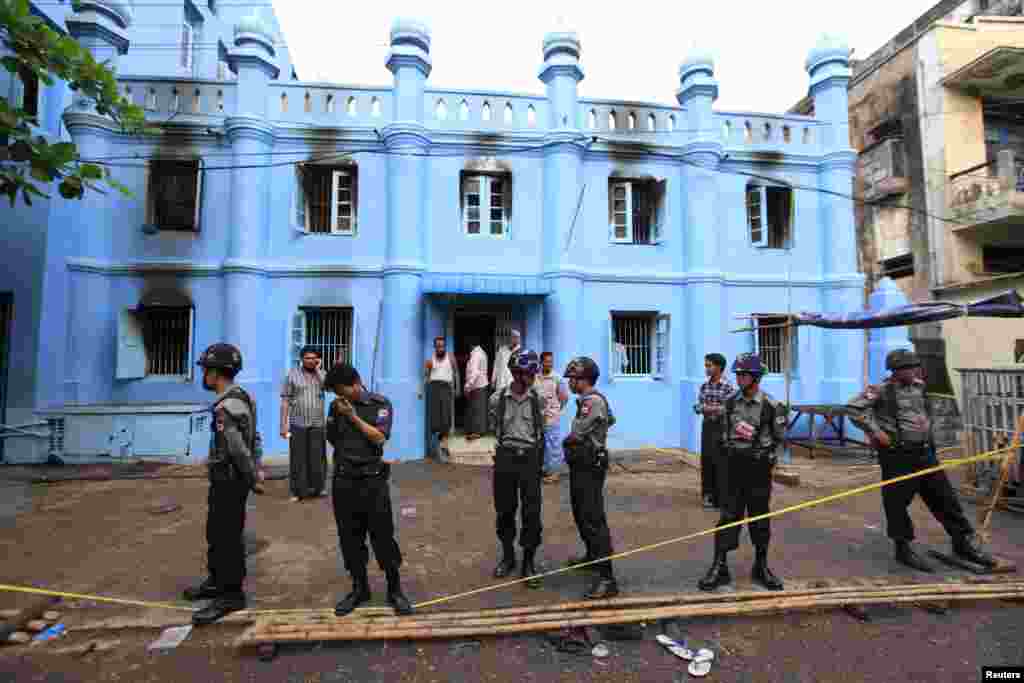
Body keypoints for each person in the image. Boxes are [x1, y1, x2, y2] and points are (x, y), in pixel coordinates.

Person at [846, 349, 995, 572]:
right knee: (897, 503)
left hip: (925, 453)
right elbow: (852, 408)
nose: (912, 371)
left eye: (914, 366)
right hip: (898, 456)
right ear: (895, 371)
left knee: (945, 498)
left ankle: (962, 544)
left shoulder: (920, 387)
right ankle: (903, 548)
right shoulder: (880, 390)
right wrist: (876, 432)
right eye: (907, 368)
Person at [183, 343, 265, 626]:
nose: (204, 376)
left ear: (216, 373)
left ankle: (230, 595)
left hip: (229, 479)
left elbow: (238, 449)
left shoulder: (225, 408)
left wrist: (253, 476)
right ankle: (217, 582)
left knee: (226, 536)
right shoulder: (244, 398)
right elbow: (255, 439)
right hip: (232, 477)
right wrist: (257, 467)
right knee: (217, 532)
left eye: (206, 370)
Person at [325, 363, 413, 617]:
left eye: (341, 390)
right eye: (335, 393)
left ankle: (394, 589)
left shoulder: (380, 404)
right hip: (343, 482)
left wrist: (352, 416)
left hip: (372, 482)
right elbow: (332, 437)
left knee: (383, 537)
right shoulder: (335, 407)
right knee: (350, 538)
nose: (339, 397)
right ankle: (359, 587)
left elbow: (379, 438)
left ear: (356, 383)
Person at [698, 353, 786, 592]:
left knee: (759, 518)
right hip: (733, 467)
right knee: (728, 516)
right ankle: (720, 565)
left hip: (758, 469)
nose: (739, 379)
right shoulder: (730, 402)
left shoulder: (771, 405)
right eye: (737, 374)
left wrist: (768, 459)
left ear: (755, 377)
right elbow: (723, 432)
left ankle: (761, 565)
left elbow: (779, 439)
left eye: (743, 374)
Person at [562, 356, 620, 600]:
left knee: (593, 518)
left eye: (572, 379)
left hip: (589, 465)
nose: (569, 383)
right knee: (581, 513)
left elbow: (576, 433)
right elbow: (612, 419)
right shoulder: (590, 400)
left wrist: (575, 438)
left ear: (582, 379)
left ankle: (607, 578)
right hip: (583, 464)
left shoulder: (591, 402)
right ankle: (592, 557)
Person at [488, 350, 546, 588]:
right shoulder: (497, 399)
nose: (532, 377)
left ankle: (528, 563)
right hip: (505, 459)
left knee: (532, 512)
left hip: (530, 459)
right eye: (528, 372)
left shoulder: (538, 399)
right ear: (515, 373)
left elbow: (544, 427)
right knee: (504, 510)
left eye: (533, 372)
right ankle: (508, 557)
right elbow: (494, 425)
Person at [280, 346, 328, 502]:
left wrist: (319, 371)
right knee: (298, 458)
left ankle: (318, 488)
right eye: (307, 358)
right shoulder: (292, 375)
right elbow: (285, 400)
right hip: (298, 422)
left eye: (314, 358)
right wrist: (283, 425)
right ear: (301, 359)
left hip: (317, 422)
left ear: (318, 359)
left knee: (317, 457)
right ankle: (297, 491)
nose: (311, 360)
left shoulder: (322, 375)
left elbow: (328, 388)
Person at [694, 353, 734, 508]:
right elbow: (698, 407)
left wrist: (708, 408)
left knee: (722, 461)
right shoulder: (705, 386)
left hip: (722, 428)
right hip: (708, 427)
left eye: (709, 365)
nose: (706, 368)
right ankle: (708, 495)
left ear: (719, 367)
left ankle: (722, 496)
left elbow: (728, 409)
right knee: (707, 459)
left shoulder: (727, 386)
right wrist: (711, 408)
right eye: (706, 365)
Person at [425, 337, 461, 462]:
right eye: (438, 346)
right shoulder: (430, 360)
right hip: (434, 389)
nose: (440, 348)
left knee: (446, 418)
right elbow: (426, 376)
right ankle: (439, 450)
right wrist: (421, 391)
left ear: (445, 346)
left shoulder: (450, 358)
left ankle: (444, 446)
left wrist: (457, 388)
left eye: (442, 346)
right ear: (435, 347)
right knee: (435, 420)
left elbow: (456, 373)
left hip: (446, 389)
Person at [536, 351, 569, 483]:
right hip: (538, 417)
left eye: (551, 361)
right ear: (541, 362)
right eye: (546, 361)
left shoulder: (557, 378)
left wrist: (556, 410)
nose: (549, 364)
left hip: (551, 417)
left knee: (553, 444)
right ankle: (545, 469)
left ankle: (554, 472)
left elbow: (564, 398)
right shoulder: (536, 377)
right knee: (541, 445)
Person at [463, 337, 489, 440]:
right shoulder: (481, 352)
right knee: (480, 408)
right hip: (480, 384)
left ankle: (477, 432)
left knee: (476, 409)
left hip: (477, 385)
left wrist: (468, 385)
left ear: (471, 345)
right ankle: (480, 430)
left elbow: (474, 372)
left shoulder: (475, 354)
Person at [491, 329, 522, 396]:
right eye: (513, 337)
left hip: (513, 382)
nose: (515, 339)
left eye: (517, 337)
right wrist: (493, 380)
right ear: (510, 338)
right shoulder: (502, 350)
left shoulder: (521, 352)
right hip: (501, 381)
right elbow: (496, 365)